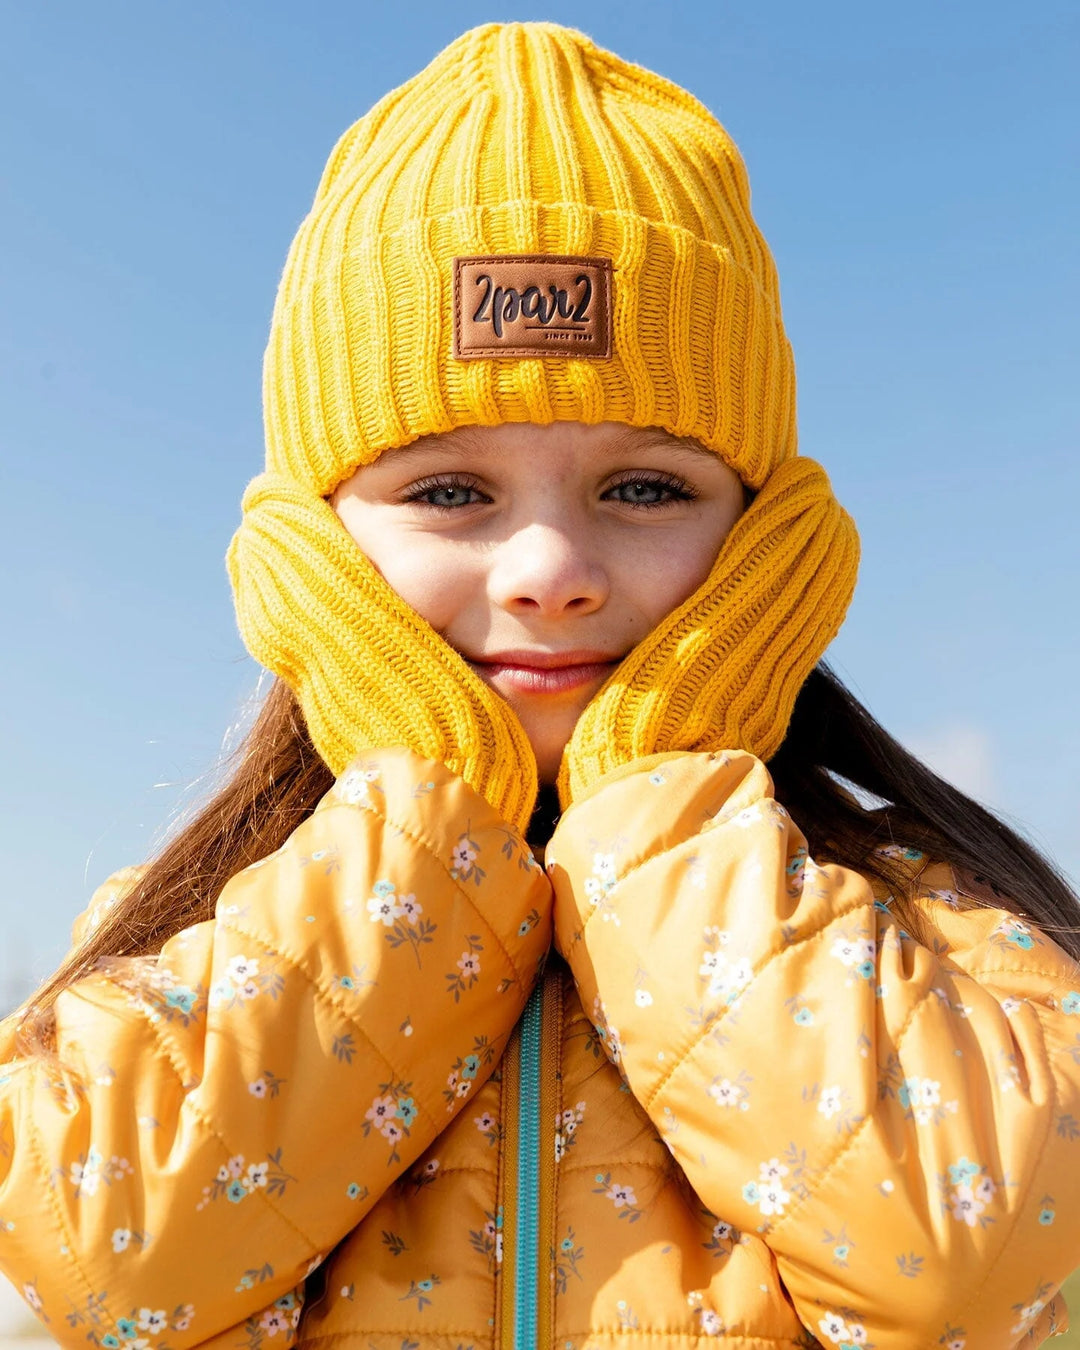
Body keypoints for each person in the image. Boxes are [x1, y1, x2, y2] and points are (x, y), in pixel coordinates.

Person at [1, 20, 1078, 1350]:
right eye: (450, 491)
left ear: (764, 534)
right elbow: (109, 1261)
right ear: (314, 547)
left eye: (646, 487)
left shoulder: (943, 932)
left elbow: (973, 1267)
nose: (551, 569)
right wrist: (429, 839)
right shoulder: (185, 936)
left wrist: (655, 820)